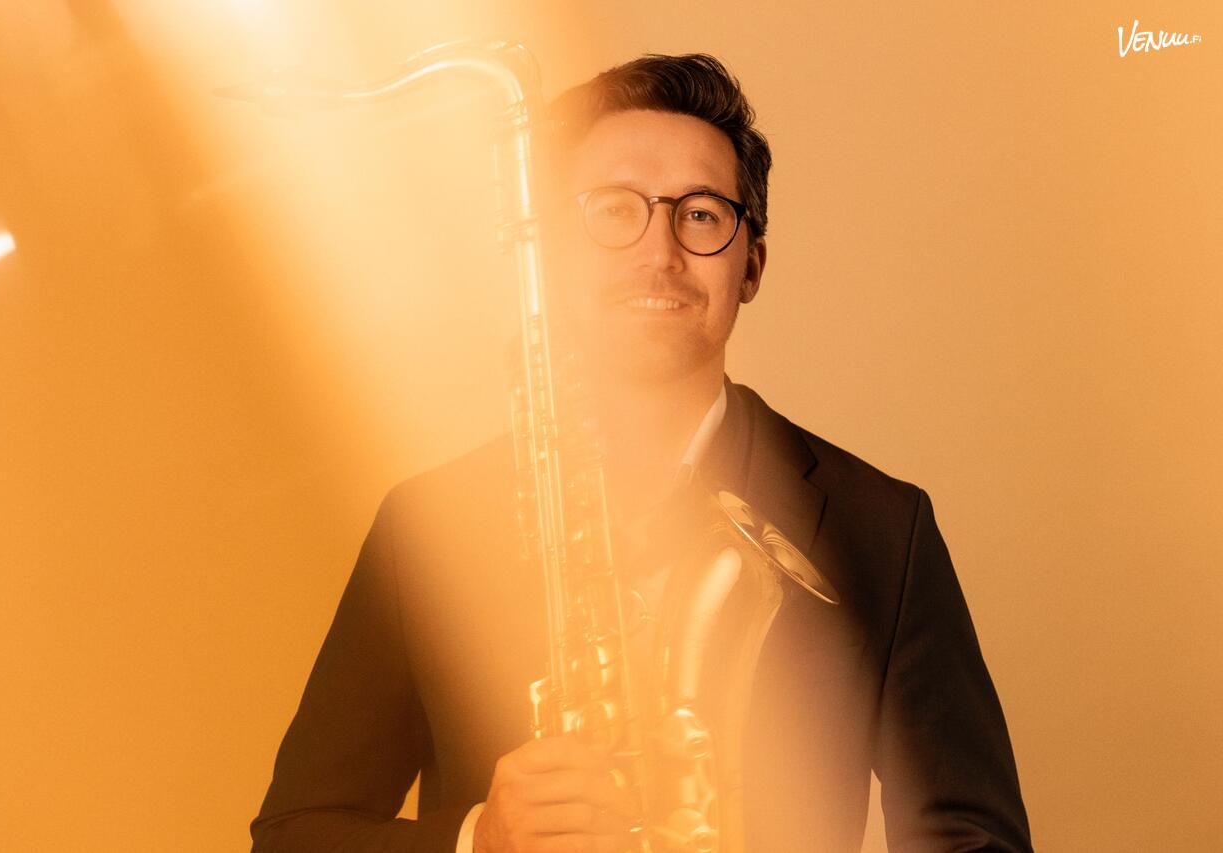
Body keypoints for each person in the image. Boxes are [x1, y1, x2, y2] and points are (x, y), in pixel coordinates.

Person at [250, 53, 1032, 853]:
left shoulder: (884, 527)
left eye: (701, 215)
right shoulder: (426, 527)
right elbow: (289, 837)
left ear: (752, 264)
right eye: (615, 210)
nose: (659, 253)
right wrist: (481, 840)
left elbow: (978, 841)